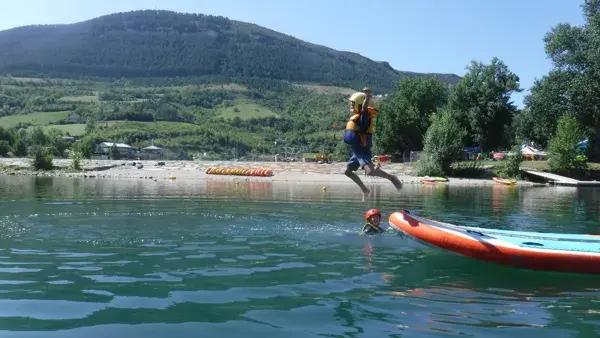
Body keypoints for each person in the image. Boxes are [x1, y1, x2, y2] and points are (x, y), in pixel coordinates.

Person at [344, 87, 403, 201]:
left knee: (370, 171)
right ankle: (365, 190)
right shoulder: (358, 117)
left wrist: (367, 96)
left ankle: (392, 178)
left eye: (353, 104)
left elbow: (364, 109)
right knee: (347, 172)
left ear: (360, 105)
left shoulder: (364, 116)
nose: (351, 106)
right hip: (356, 151)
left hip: (362, 149)